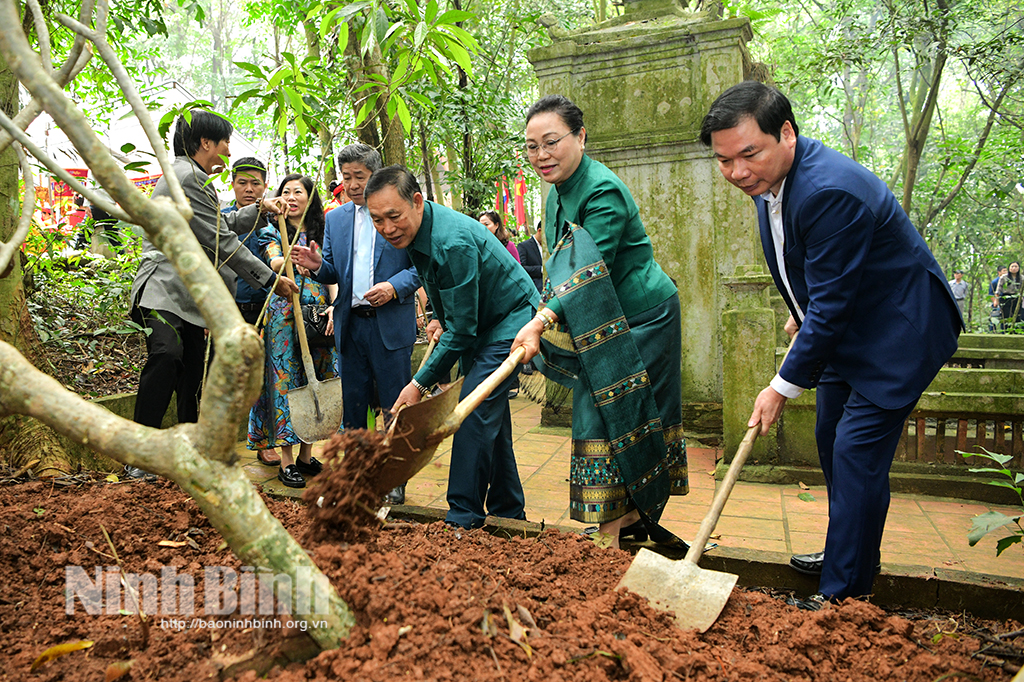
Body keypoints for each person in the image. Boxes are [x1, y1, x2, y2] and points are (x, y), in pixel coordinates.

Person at [701, 81, 962, 609]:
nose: (737, 172)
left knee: (856, 452)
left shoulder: (827, 191)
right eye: (724, 161)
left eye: (748, 153)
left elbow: (833, 305)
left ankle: (843, 594)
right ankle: (851, 553)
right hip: (851, 330)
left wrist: (779, 387)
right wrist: (803, 316)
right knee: (830, 437)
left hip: (897, 336)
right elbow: (814, 278)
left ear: (787, 133)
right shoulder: (771, 184)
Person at [510, 94, 689, 551]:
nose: (541, 156)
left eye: (551, 142)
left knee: (627, 414)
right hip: (597, 320)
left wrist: (542, 321)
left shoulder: (601, 191)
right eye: (531, 147)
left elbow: (590, 272)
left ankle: (611, 531)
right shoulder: (554, 195)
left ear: (581, 136)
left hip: (643, 318)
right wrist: (541, 316)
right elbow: (558, 265)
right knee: (601, 410)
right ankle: (625, 518)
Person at [364, 165, 538, 529]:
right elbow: (440, 286)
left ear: (416, 201)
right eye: (378, 220)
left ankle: (462, 517)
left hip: (511, 320)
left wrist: (418, 384)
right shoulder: (417, 232)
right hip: (481, 324)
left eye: (394, 217)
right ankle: (509, 510)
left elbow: (463, 329)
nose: (387, 228)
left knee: (471, 413)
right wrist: (440, 317)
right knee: (490, 416)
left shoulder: (451, 240)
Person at [128, 111, 298, 480]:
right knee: (166, 356)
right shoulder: (190, 177)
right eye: (224, 143)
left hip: (187, 298)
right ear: (206, 143)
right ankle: (138, 456)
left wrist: (259, 208)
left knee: (191, 375)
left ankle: (192, 456)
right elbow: (222, 240)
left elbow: (217, 224)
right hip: (163, 290)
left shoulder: (191, 177)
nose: (227, 149)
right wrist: (271, 280)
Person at [290, 144, 419, 505]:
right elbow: (333, 271)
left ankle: (394, 477)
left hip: (390, 323)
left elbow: (420, 267)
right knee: (354, 403)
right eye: (346, 177)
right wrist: (316, 264)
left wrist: (394, 287)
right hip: (351, 324)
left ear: (374, 176)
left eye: (358, 177)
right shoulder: (337, 219)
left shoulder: (398, 213)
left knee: (395, 403)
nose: (351, 184)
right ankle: (359, 474)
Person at [248, 174, 339, 488]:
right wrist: (288, 261)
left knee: (317, 378)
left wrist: (335, 306)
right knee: (287, 381)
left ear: (310, 197)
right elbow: (272, 259)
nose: (291, 196)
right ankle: (286, 460)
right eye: (285, 192)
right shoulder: (271, 229)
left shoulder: (325, 231)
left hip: (320, 316)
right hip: (284, 314)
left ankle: (306, 455)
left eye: (298, 191)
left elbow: (333, 274)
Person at [221, 157, 280, 467]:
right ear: (232, 184)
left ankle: (266, 440)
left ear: (265, 186)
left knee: (265, 379)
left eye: (255, 183)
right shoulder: (219, 217)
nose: (248, 188)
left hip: (267, 311)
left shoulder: (273, 219)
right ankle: (223, 441)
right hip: (229, 312)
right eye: (242, 182)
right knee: (230, 378)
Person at [517, 220, 544, 293]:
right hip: (535, 288)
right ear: (539, 230)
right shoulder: (524, 246)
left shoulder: (549, 247)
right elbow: (522, 268)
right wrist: (541, 269)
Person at [995, 262, 1022, 331]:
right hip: (1005, 298)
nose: (1014, 268)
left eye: (1016, 266)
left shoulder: (1022, 278)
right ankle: (1005, 331)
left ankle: (1016, 332)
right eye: (1012, 266)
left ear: (1018, 268)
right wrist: (996, 301)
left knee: (1017, 316)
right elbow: (998, 290)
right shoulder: (1004, 277)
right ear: (1009, 268)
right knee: (1006, 316)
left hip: (1017, 298)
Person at [989, 265, 1007, 332]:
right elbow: (990, 294)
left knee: (1004, 319)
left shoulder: (1007, 280)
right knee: (994, 318)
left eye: (1006, 270)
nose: (1006, 272)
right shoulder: (994, 282)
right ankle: (992, 331)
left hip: (1005, 302)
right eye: (1004, 271)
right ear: (999, 272)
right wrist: (995, 301)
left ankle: (1003, 332)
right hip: (997, 302)